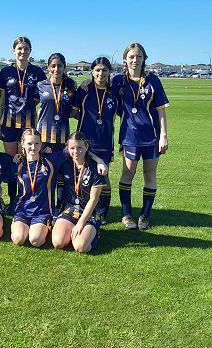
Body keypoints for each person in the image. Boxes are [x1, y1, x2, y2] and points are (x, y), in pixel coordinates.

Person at [111, 43, 169, 230]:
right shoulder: (118, 81)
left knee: (149, 174)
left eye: (139, 56)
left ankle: (145, 216)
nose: (135, 60)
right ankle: (126, 214)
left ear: (144, 59)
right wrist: (87, 83)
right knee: (128, 174)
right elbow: (100, 86)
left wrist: (164, 136)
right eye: (131, 57)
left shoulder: (153, 80)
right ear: (125, 59)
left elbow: (161, 111)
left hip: (152, 137)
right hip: (129, 137)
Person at [0, 36, 46, 208]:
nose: (22, 51)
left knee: (26, 161)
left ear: (30, 51)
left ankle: (24, 198)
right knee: (12, 161)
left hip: (28, 125)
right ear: (14, 51)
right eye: (19, 48)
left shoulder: (37, 72)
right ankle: (12, 200)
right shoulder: (6, 72)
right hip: (8, 123)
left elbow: (41, 96)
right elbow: (2, 100)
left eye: (26, 48)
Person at [72, 57, 118, 223]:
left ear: (109, 72)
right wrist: (89, 120)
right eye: (97, 70)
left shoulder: (114, 92)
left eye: (104, 70)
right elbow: (73, 111)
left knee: (103, 178)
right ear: (92, 72)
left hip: (105, 143)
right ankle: (81, 208)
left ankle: (101, 213)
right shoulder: (84, 89)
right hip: (84, 143)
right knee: (82, 176)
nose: (101, 73)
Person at [10, 129, 69, 248]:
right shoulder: (18, 162)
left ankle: (44, 225)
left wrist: (99, 161)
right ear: (22, 144)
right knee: (18, 239)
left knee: (36, 240)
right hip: (22, 209)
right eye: (29, 144)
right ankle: (20, 224)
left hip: (43, 211)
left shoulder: (51, 160)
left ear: (41, 144)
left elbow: (74, 148)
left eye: (36, 143)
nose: (33, 147)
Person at [51, 132, 106, 253]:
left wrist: (81, 223)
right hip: (70, 210)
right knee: (58, 243)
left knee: (80, 247)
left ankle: (93, 233)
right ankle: (75, 232)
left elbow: (94, 199)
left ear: (86, 146)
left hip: (90, 213)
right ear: (67, 148)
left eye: (80, 147)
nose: (76, 151)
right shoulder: (65, 162)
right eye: (72, 148)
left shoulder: (95, 168)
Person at [35, 52, 76, 211]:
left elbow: (75, 110)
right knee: (44, 173)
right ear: (48, 68)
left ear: (64, 67)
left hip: (63, 138)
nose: (56, 69)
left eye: (59, 66)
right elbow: (34, 103)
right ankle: (45, 205)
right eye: (53, 66)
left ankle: (60, 206)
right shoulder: (40, 85)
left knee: (62, 174)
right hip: (44, 138)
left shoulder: (70, 87)